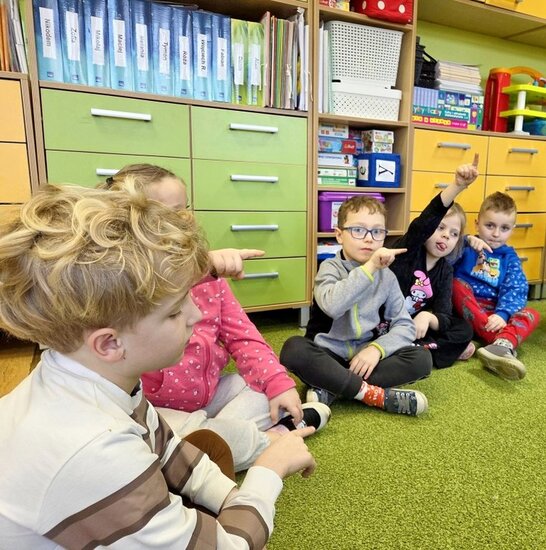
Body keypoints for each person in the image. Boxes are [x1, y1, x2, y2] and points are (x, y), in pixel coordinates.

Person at [0, 182, 318, 548]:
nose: (195, 314)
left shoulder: (97, 378)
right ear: (109, 343)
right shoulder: (95, 451)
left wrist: (232, 498)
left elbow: (167, 449)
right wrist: (269, 470)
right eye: (174, 311)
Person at [103, 164, 330, 472]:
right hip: (155, 409)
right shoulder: (120, 284)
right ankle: (273, 439)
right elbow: (150, 287)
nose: (186, 219)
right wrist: (198, 270)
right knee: (180, 441)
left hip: (209, 395)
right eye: (170, 213)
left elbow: (244, 337)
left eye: (185, 208)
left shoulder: (212, 281)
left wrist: (278, 384)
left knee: (261, 387)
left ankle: (226, 441)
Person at [280, 195, 433, 416]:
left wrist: (376, 349)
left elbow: (404, 325)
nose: (369, 239)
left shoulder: (387, 277)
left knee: (422, 359)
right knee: (293, 349)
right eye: (358, 230)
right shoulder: (329, 268)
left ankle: (331, 387)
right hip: (327, 354)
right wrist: (370, 268)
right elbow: (333, 305)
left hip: (365, 358)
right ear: (339, 235)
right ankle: (373, 395)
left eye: (377, 232)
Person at [388, 157, 479, 368]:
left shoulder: (445, 270)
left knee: (464, 329)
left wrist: (428, 318)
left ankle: (417, 348)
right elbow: (423, 223)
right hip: (386, 323)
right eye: (440, 228)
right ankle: (423, 350)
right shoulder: (408, 251)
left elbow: (444, 315)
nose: (446, 236)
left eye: (454, 233)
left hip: (415, 327)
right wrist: (457, 186)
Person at [452, 191, 540, 380]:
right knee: (456, 284)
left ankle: (498, 343)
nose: (496, 234)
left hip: (494, 313)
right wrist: (464, 240)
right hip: (464, 309)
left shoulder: (510, 258)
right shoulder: (466, 247)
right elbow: (444, 261)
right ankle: (499, 343)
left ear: (512, 229)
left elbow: (515, 288)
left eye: (504, 228)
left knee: (532, 314)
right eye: (490, 225)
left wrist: (503, 314)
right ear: (477, 223)